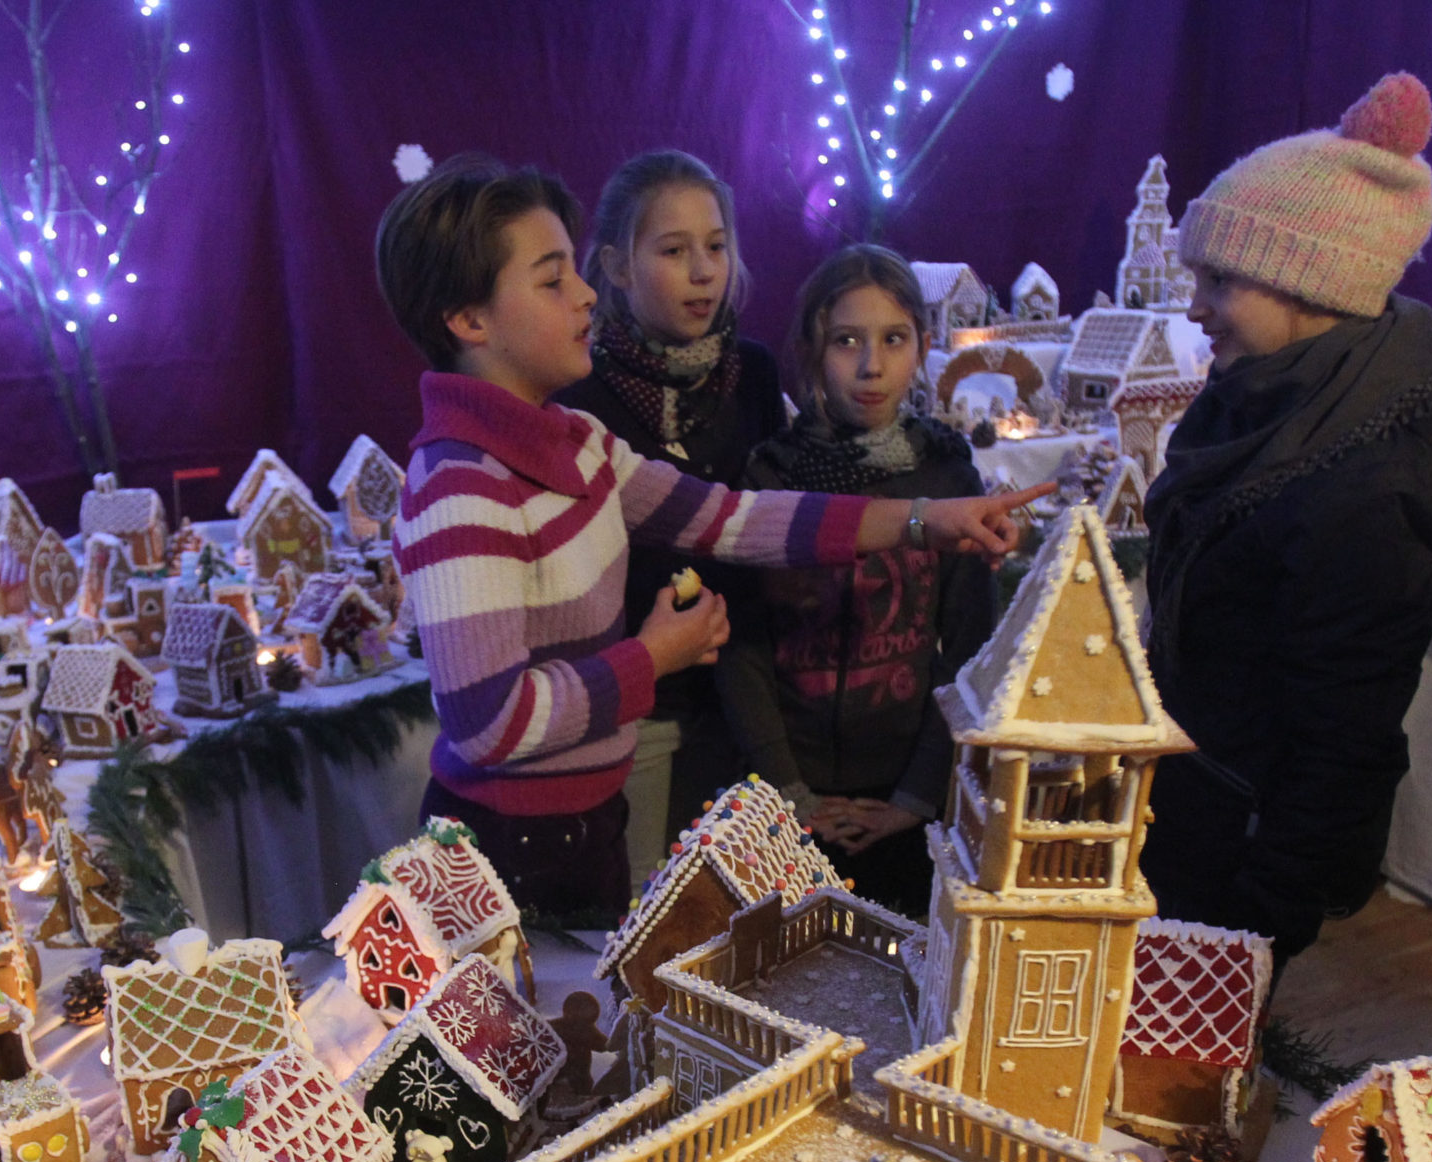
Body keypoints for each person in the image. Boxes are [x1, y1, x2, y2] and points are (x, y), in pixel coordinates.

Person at [372, 154, 1034, 915]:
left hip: (581, 824)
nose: (585, 292)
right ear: (469, 319)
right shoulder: (463, 485)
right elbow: (490, 723)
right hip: (510, 847)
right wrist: (651, 658)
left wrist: (923, 519)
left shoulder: (575, 440)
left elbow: (730, 517)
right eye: (553, 280)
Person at [1140, 72, 1432, 962]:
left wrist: (1254, 932)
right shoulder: (1249, 408)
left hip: (1238, 866)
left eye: (1220, 278)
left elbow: (1341, 747)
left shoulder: (1369, 493)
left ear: (1308, 281)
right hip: (1189, 814)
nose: (1195, 306)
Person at [729, 245, 1012, 913]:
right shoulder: (771, 476)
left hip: (905, 797)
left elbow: (972, 648)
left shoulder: (946, 478)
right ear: (811, 349)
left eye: (893, 338)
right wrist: (788, 791)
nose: (871, 365)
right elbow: (743, 649)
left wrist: (916, 796)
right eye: (846, 340)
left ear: (923, 344)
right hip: (783, 800)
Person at [553, 151, 786, 856]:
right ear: (618, 268)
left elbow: (772, 519)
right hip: (642, 703)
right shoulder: (580, 392)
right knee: (645, 913)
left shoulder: (754, 376)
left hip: (749, 695)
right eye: (674, 250)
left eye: (716, 246)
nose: (703, 270)